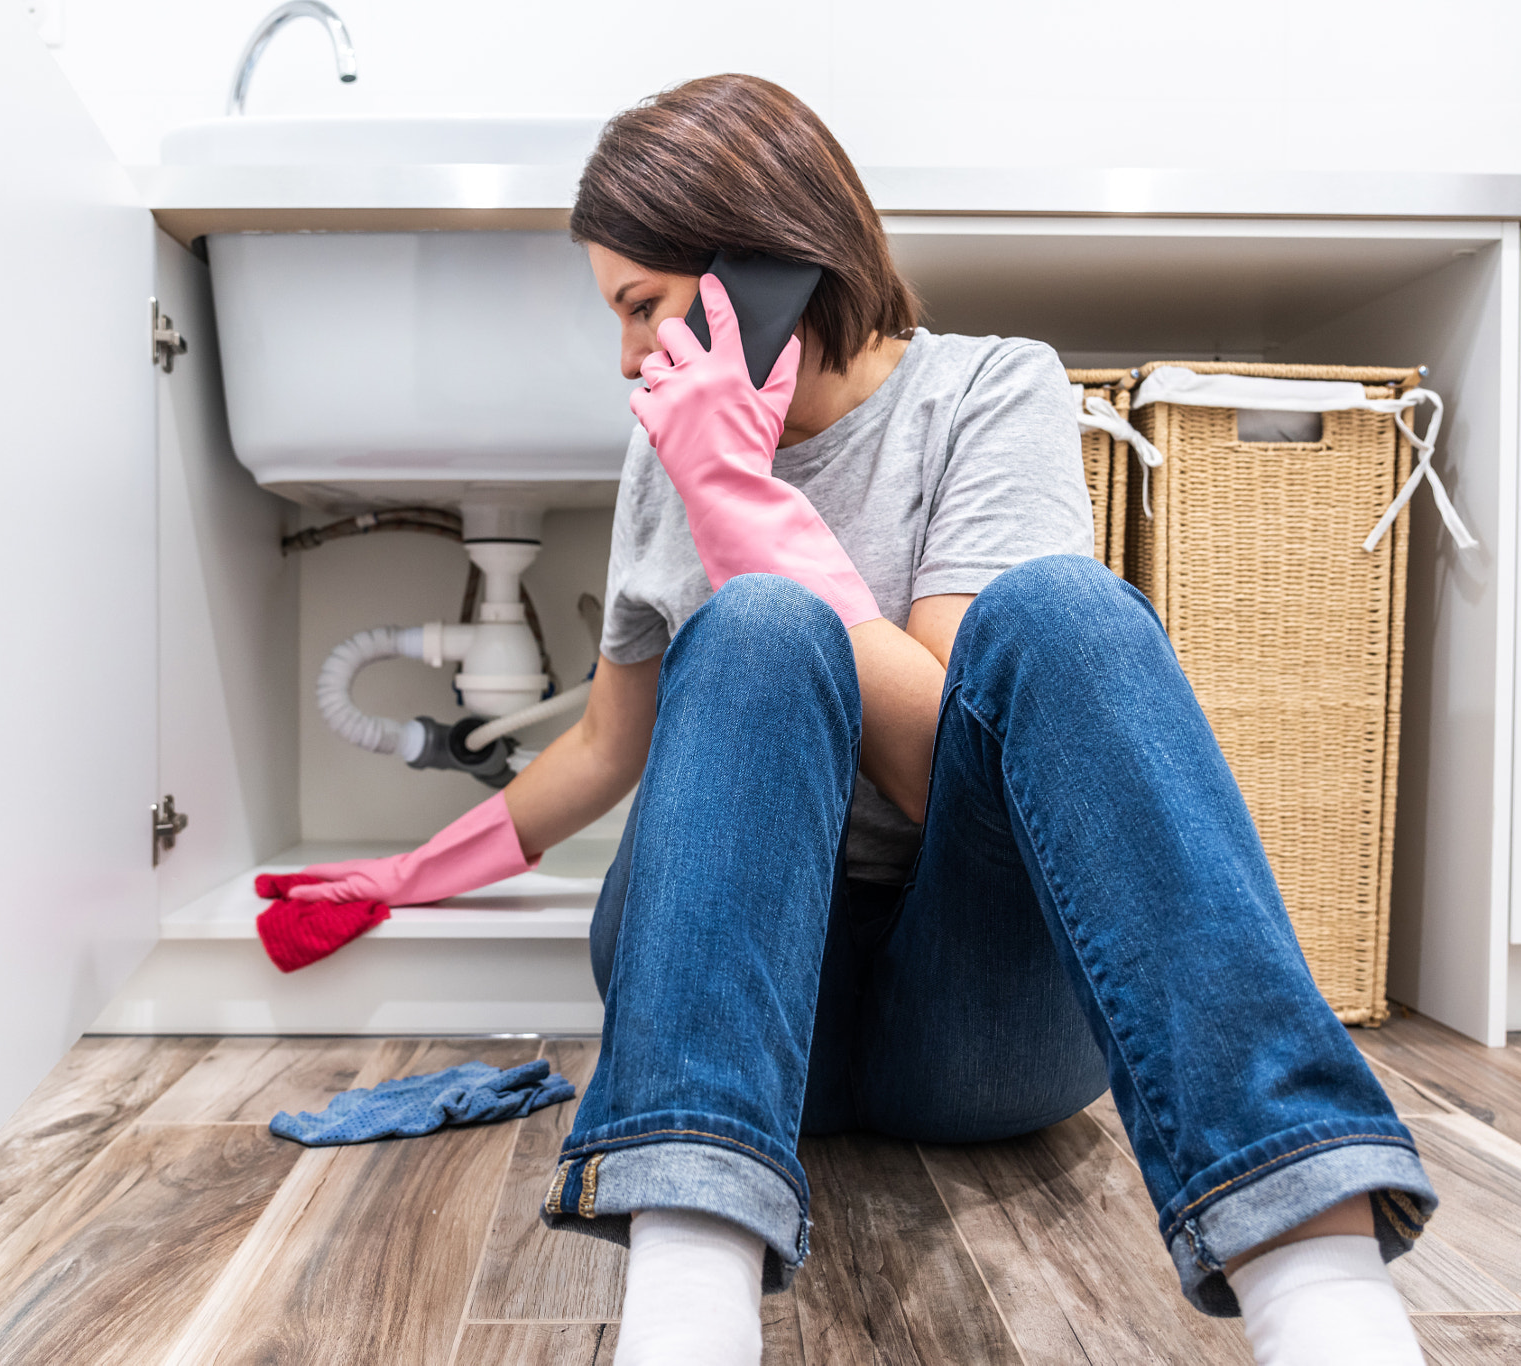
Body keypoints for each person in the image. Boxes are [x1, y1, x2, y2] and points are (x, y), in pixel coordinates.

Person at [287, 74, 1437, 1366]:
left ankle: (1322, 1290)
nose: (625, 357)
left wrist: (750, 510)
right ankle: (685, 1301)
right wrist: (399, 875)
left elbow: (943, 767)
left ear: (763, 273)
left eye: (645, 307)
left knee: (1070, 610)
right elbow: (611, 744)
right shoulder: (668, 447)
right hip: (746, 1006)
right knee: (757, 632)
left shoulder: (990, 390)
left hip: (978, 1020)